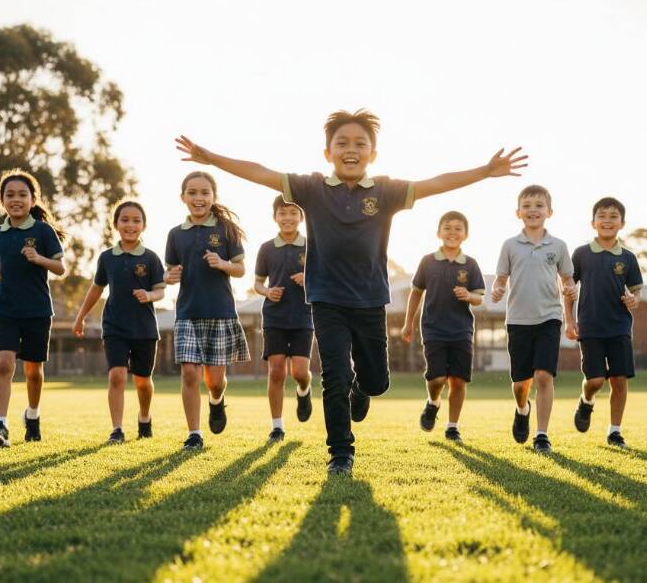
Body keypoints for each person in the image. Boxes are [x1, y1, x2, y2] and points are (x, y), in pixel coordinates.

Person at [175, 108, 527, 474]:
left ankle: (363, 389)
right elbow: (261, 172)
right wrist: (211, 158)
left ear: (373, 153)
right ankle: (340, 453)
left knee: (375, 382)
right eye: (341, 143)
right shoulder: (311, 189)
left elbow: (436, 183)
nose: (351, 149)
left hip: (370, 300)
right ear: (327, 152)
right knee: (334, 376)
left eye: (361, 143)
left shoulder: (386, 191)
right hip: (326, 301)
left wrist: (484, 171)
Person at [0, 169, 66, 447]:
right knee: (5, 363)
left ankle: (32, 414)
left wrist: (39, 258)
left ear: (32, 199)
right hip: (5, 308)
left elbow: (61, 267)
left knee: (33, 371)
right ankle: (1, 424)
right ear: (1, 200)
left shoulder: (42, 230)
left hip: (38, 310)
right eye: (10, 195)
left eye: (22, 195)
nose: (16, 199)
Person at [164, 171, 250, 451]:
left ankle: (216, 401)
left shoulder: (227, 231)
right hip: (187, 312)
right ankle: (194, 434)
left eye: (204, 192)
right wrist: (169, 276)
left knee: (215, 381)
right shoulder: (175, 234)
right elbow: (170, 270)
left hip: (220, 311)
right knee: (189, 373)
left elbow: (240, 269)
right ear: (182, 197)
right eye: (192, 192)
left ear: (213, 197)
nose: (198, 198)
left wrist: (223, 264)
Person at [73, 200, 166, 444]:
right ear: (115, 224)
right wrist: (81, 316)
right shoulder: (106, 258)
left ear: (143, 226)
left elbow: (160, 292)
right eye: (125, 220)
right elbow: (96, 289)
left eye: (136, 221)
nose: (130, 225)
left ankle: (144, 417)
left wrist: (149, 296)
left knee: (143, 381)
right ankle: (117, 429)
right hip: (114, 326)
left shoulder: (151, 258)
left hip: (145, 329)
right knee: (117, 375)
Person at [492, 184, 576, 453]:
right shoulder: (509, 245)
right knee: (520, 383)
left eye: (539, 206)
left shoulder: (559, 246)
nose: (533, 210)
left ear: (549, 212)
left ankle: (541, 435)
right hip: (518, 320)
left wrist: (571, 288)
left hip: (549, 318)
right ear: (518, 212)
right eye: (527, 206)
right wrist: (497, 289)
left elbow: (567, 278)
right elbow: (501, 279)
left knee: (543, 375)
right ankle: (522, 408)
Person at [564, 197, 643, 448]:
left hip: (619, 327)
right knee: (596, 380)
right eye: (602, 216)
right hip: (590, 326)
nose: (607, 221)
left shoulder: (628, 258)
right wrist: (569, 320)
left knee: (619, 380)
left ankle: (615, 431)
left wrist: (634, 300)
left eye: (613, 216)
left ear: (622, 223)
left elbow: (637, 293)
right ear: (593, 222)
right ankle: (586, 401)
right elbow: (567, 289)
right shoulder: (581, 254)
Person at [402, 211, 485, 443]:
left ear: (465, 235)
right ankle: (433, 402)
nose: (452, 232)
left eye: (458, 228)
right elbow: (416, 293)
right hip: (433, 328)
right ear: (439, 233)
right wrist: (408, 323)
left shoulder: (471, 264)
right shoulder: (428, 261)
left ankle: (452, 427)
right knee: (437, 378)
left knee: (458, 380)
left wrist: (468, 295)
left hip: (461, 330)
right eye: (447, 227)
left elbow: (479, 298)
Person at [253, 195, 314, 444]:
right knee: (276, 372)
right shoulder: (267, 248)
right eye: (282, 213)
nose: (287, 218)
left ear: (301, 218)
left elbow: (327, 277)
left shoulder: (312, 246)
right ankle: (277, 427)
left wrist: (307, 277)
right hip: (274, 317)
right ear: (275, 217)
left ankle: (304, 390)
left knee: (300, 371)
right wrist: (267, 291)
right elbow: (257, 283)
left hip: (303, 315)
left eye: (292, 213)